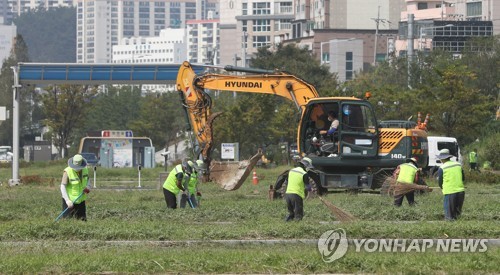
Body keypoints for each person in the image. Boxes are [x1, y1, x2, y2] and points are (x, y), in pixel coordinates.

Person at [60, 154, 91, 221]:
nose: (77, 169)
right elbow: (63, 186)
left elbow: (88, 179)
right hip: (70, 201)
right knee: (67, 221)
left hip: (81, 200)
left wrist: (88, 187)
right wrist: (67, 200)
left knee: (82, 220)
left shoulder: (85, 170)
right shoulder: (67, 171)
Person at [436, 149, 465, 221]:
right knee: (457, 215)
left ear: (442, 159)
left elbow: (440, 182)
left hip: (450, 192)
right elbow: (463, 178)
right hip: (461, 192)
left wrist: (442, 187)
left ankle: (449, 231)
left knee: (449, 217)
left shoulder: (442, 168)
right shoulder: (458, 165)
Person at [285, 157, 314, 221]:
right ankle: (298, 228)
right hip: (296, 196)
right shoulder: (304, 173)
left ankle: (286, 225)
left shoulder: (291, 171)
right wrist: (311, 189)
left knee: (291, 213)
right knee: (298, 215)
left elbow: (286, 181)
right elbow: (307, 186)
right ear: (305, 165)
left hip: (287, 195)